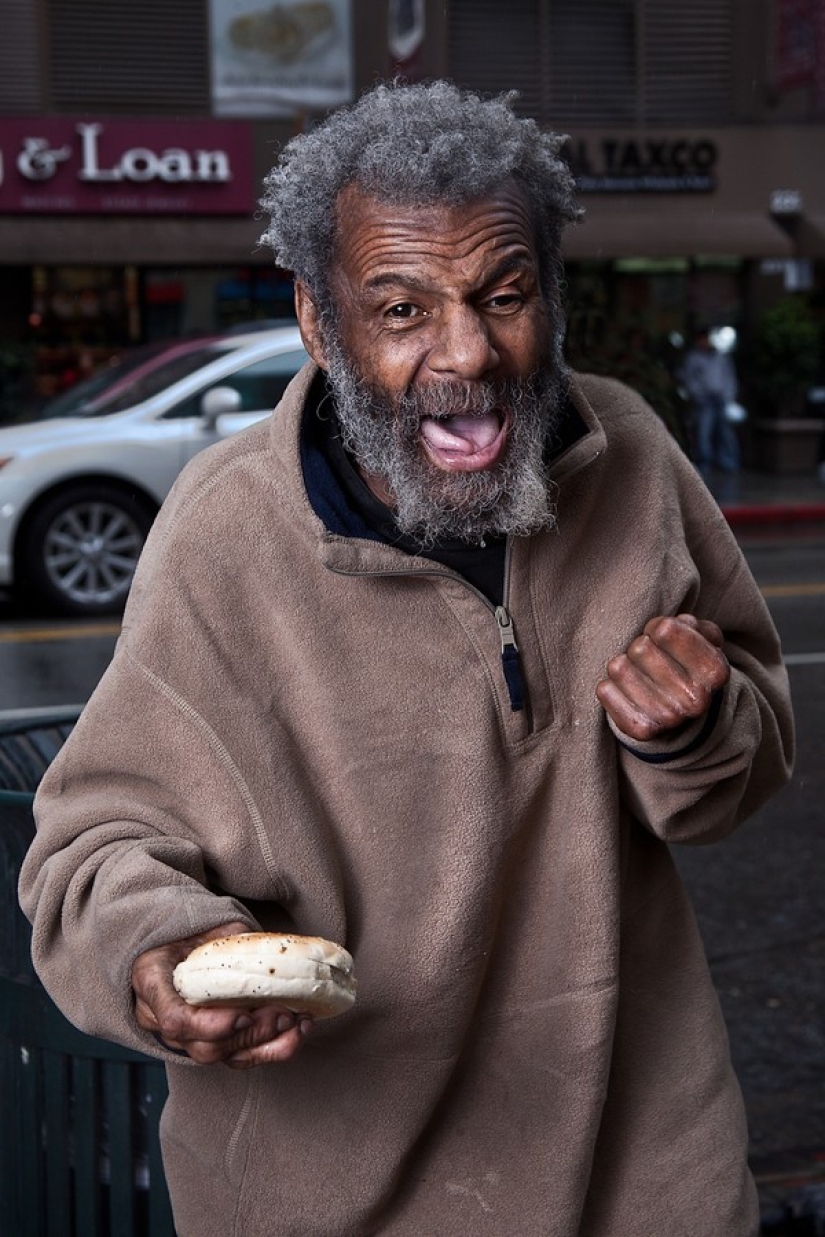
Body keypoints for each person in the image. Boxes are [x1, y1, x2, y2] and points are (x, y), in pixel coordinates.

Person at [19, 81, 794, 1236]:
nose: (467, 352)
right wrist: (159, 947)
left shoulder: (630, 457)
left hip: (645, 1173)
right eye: (400, 309)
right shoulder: (227, 531)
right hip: (337, 1190)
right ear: (318, 321)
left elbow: (743, 764)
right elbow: (94, 842)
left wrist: (695, 727)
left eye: (504, 295)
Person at [681, 327, 741, 479]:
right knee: (704, 432)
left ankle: (728, 462)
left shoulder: (721, 357)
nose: (704, 342)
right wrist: (697, 395)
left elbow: (729, 377)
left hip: (720, 399)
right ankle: (704, 463)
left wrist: (729, 395)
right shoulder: (693, 358)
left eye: (706, 339)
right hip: (704, 400)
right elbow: (689, 379)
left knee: (725, 433)